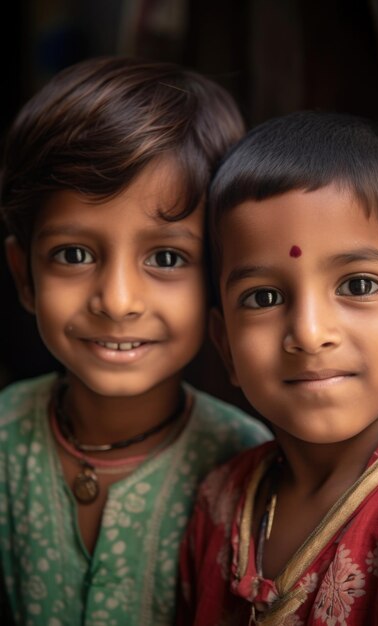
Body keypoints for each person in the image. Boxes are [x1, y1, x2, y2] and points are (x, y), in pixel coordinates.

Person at [0, 56, 272, 626]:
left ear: (221, 278)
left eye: (167, 257)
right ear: (24, 276)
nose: (118, 300)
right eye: (73, 255)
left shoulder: (251, 467)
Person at [178, 111, 378, 625]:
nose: (309, 333)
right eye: (263, 297)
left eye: (357, 285)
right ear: (225, 347)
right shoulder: (218, 500)